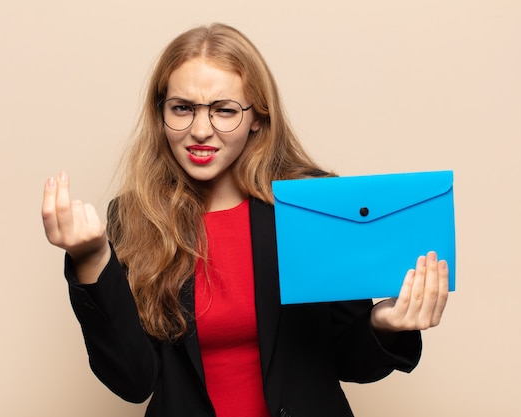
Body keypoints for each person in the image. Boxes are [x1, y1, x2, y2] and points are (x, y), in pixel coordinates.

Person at [41, 23, 449, 417]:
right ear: (160, 113)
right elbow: (133, 381)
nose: (200, 130)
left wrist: (385, 323)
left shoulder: (311, 206)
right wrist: (93, 257)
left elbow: (349, 362)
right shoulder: (134, 217)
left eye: (224, 110)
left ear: (258, 117)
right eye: (182, 108)